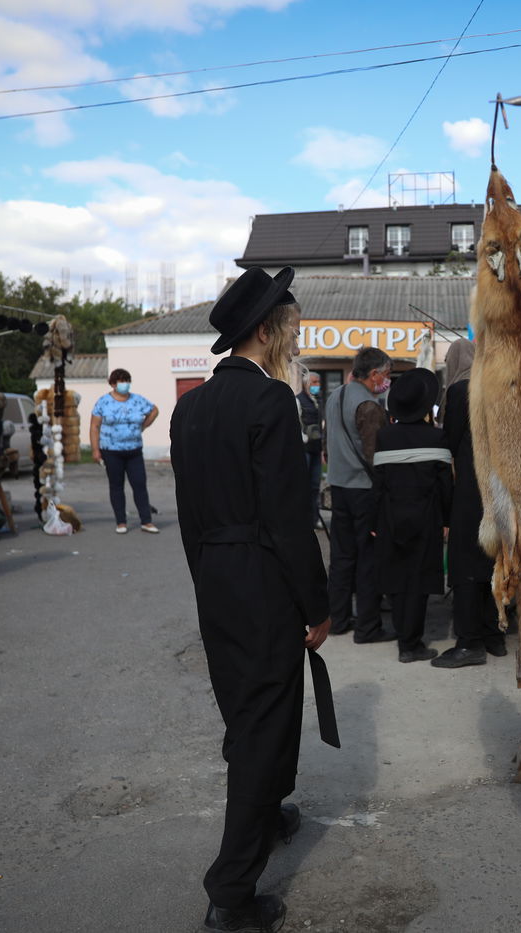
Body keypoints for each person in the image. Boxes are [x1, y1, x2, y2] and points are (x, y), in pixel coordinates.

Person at [170, 266, 335, 933]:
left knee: (249, 708)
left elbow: (187, 515)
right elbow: (289, 519)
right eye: (289, 333)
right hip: (265, 576)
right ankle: (231, 892)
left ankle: (268, 814)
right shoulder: (271, 403)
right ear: (266, 333)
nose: (292, 344)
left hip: (216, 574)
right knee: (265, 718)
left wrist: (207, 577)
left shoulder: (191, 407)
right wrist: (317, 605)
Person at [433, 338, 507, 668]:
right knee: (491, 559)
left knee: (464, 564)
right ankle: (494, 635)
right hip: (499, 489)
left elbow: (447, 441)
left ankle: (469, 642)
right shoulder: (498, 390)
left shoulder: (462, 391)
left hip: (470, 490)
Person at [372, 368, 452, 663]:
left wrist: (373, 523)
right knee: (419, 580)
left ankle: (404, 638)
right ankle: (412, 644)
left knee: (397, 576)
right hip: (427, 517)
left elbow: (377, 484)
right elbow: (445, 486)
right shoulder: (437, 437)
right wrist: (447, 520)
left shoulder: (385, 436)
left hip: (391, 517)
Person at [323, 346, 393, 643]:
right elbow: (374, 456)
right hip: (363, 490)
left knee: (341, 556)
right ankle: (367, 627)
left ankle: (337, 619)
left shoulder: (335, 396)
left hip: (338, 486)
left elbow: (328, 443)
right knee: (367, 559)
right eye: (386, 375)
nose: (386, 381)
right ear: (374, 373)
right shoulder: (369, 406)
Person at [89, 368, 160, 534]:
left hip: (134, 449)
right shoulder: (103, 402)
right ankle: (121, 521)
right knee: (116, 486)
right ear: (113, 384)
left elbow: (154, 410)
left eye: (127, 381)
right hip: (111, 450)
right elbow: (94, 426)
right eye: (121, 381)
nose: (124, 384)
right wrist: (95, 449)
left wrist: (143, 426)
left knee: (139, 484)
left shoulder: (137, 400)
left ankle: (146, 521)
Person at [295, 369, 323, 526]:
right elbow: (295, 422)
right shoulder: (298, 400)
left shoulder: (317, 400)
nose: (317, 385)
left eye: (318, 382)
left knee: (315, 485)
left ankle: (315, 518)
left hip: (316, 447)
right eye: (314, 382)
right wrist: (303, 438)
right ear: (306, 383)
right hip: (304, 448)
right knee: (303, 485)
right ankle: (302, 519)